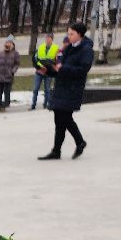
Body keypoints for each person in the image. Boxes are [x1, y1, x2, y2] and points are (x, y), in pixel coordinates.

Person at [38, 22, 93, 160]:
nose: (69, 37)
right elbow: (59, 67)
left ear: (80, 34)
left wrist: (62, 69)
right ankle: (57, 150)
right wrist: (49, 70)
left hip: (73, 88)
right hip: (61, 87)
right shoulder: (68, 48)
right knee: (59, 119)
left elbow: (82, 70)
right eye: (68, 34)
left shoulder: (86, 50)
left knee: (65, 118)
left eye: (71, 34)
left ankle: (79, 142)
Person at [31, 33, 58, 110]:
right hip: (39, 71)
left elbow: (57, 61)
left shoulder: (56, 48)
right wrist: (40, 66)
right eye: (46, 38)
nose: (47, 40)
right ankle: (33, 104)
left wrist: (50, 67)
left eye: (49, 38)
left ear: (52, 39)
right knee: (35, 89)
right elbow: (35, 59)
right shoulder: (41, 47)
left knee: (47, 89)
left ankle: (46, 104)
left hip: (48, 72)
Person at [0, 39, 20, 110]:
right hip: (0, 75)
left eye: (9, 43)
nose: (7, 45)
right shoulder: (1, 53)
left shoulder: (15, 53)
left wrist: (12, 71)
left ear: (12, 45)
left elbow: (17, 64)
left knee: (7, 92)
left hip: (8, 76)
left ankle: (5, 105)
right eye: (6, 43)